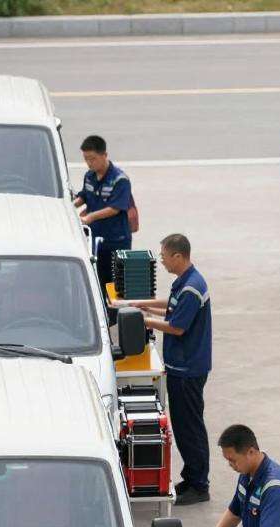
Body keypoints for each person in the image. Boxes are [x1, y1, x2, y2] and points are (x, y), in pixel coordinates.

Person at [115, 234, 212, 505]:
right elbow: (171, 307)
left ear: (178, 256)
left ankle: (199, 484)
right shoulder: (185, 283)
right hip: (181, 366)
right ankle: (191, 478)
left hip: (188, 368)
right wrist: (144, 306)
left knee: (189, 427)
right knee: (182, 426)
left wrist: (142, 319)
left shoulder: (192, 288)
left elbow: (177, 326)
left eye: (164, 256)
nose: (163, 261)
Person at [75, 135, 132, 291]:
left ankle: (114, 315)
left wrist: (90, 217)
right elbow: (84, 196)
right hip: (95, 241)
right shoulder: (89, 176)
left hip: (116, 242)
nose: (89, 163)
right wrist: (71, 204)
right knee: (97, 282)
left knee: (115, 287)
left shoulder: (120, 180)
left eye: (92, 159)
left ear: (104, 155)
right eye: (86, 159)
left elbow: (115, 208)